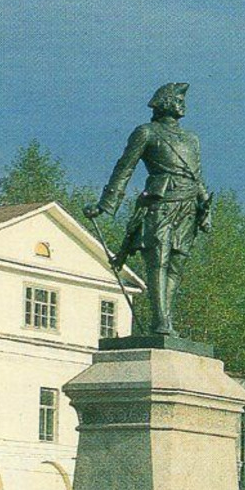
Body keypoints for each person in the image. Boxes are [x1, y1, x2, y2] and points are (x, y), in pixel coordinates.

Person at [84, 82, 213, 337]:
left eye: (182, 100)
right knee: (159, 260)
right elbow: (125, 168)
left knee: (176, 263)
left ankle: (167, 318)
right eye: (176, 99)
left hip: (187, 205)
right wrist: (105, 205)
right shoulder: (146, 132)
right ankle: (160, 321)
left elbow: (197, 177)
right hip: (160, 203)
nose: (181, 104)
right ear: (163, 102)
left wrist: (206, 210)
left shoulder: (192, 139)